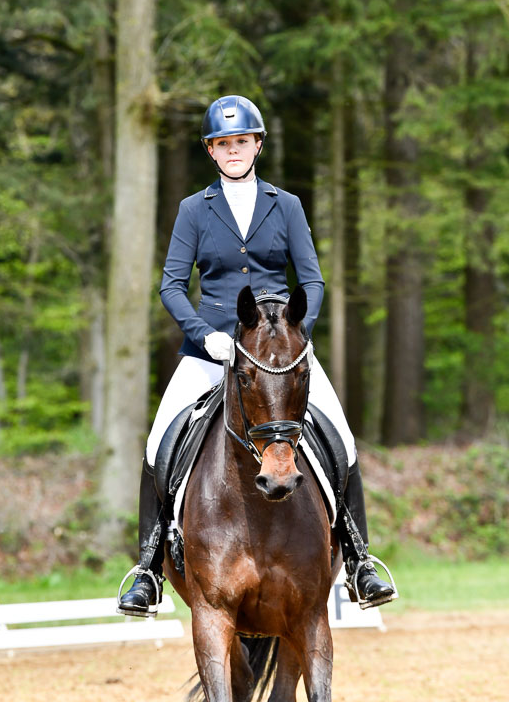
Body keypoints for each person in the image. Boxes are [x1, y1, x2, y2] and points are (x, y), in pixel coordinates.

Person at [117, 94, 396, 617]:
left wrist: (294, 338)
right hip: (213, 349)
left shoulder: (285, 205)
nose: (233, 150)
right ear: (211, 151)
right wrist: (205, 335)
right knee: (158, 444)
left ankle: (359, 559)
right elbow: (172, 286)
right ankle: (148, 570)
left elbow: (310, 278)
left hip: (278, 354)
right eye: (223, 144)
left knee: (344, 439)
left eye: (241, 141)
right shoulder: (193, 211)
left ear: (257, 144)